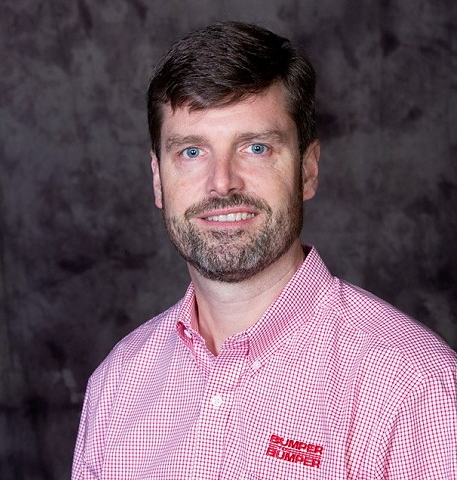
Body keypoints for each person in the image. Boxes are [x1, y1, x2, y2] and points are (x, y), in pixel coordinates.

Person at [72, 21, 457, 479]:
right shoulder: (117, 383)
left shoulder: (414, 384)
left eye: (255, 148)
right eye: (191, 152)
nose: (222, 183)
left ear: (307, 170)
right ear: (158, 179)